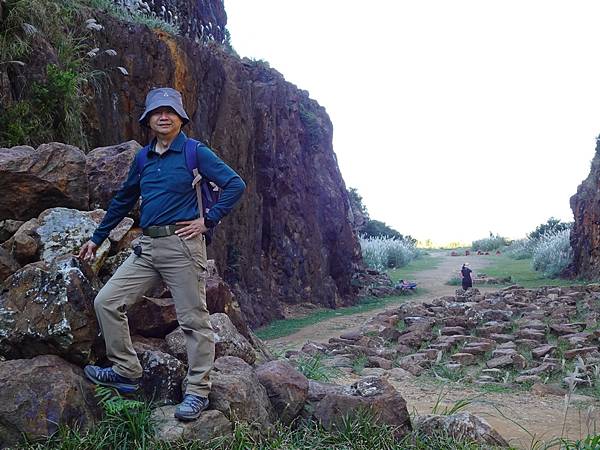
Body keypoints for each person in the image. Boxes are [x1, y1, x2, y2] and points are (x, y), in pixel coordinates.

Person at [77, 87, 246, 421]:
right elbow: (124, 199)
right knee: (107, 301)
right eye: (157, 112)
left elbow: (235, 184)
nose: (163, 116)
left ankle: (197, 392)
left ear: (180, 118)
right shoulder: (143, 158)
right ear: (149, 120)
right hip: (148, 247)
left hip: (182, 245)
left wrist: (207, 220)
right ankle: (126, 371)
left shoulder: (195, 152)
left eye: (170, 111)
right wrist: (97, 237)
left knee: (193, 320)